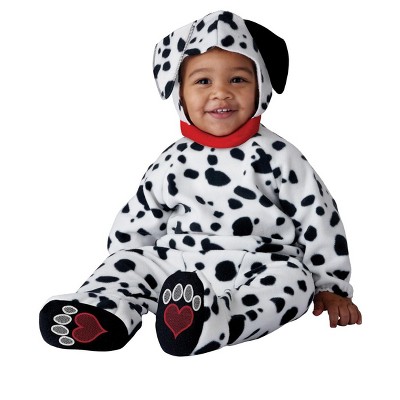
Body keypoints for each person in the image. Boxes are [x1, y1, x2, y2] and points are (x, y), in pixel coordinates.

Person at [39, 10, 362, 357]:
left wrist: (331, 287)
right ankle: (106, 311)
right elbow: (139, 217)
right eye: (203, 81)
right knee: (126, 264)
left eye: (237, 80)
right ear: (179, 92)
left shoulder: (280, 157)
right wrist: (127, 262)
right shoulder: (172, 160)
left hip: (259, 265)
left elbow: (319, 218)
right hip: (177, 266)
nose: (221, 93)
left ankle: (212, 322)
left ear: (262, 86)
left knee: (293, 282)